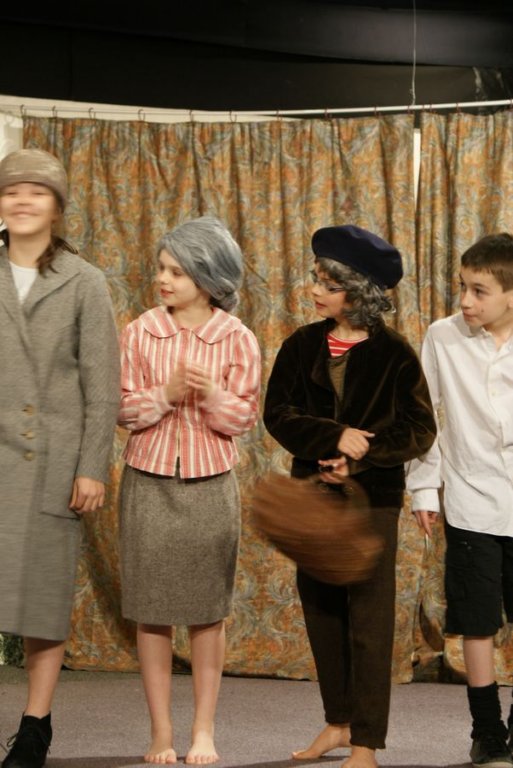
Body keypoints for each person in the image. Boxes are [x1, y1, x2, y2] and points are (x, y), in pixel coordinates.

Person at [264, 224, 436, 768]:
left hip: (372, 502)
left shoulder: (395, 355)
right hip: (313, 496)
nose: (316, 291)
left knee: (369, 620)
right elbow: (278, 414)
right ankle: (337, 723)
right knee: (321, 612)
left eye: (330, 285)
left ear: (359, 293)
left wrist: (360, 456)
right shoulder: (301, 345)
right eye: (316, 279)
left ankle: (366, 743)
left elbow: (419, 429)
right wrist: (330, 438)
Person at [117, 215, 261, 765]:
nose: (163, 279)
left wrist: (212, 397)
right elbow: (122, 411)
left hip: (209, 487)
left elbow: (244, 419)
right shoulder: (139, 331)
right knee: (150, 609)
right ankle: (161, 733)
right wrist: (167, 393)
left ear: (208, 278)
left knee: (207, 612)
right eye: (162, 268)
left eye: (176, 271)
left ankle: (203, 730)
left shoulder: (237, 338)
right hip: (148, 483)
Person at [0, 148, 120, 768]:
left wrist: (91, 466)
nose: (22, 200)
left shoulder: (85, 281)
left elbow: (102, 386)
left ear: (56, 207)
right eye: (11, 190)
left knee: (41, 603)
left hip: (51, 464)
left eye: (36, 191)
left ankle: (35, 726)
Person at [406, 233, 513, 768]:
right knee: (476, 620)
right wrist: (424, 489)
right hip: (472, 500)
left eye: (480, 291)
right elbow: (424, 419)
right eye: (462, 288)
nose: (466, 301)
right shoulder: (442, 337)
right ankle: (487, 730)